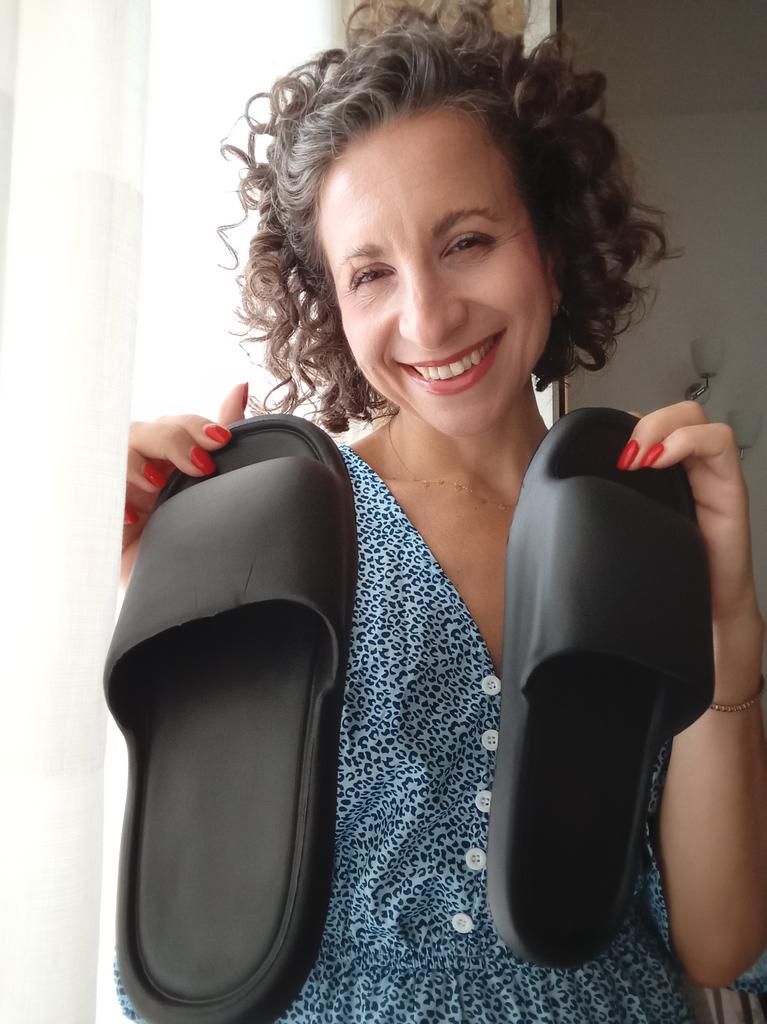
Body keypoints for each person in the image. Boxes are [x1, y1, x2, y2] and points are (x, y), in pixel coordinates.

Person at [115, 1, 767, 1020]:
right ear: (331, 305)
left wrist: (725, 620)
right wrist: (149, 596)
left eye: (465, 240)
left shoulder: (638, 528)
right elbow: (195, 931)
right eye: (370, 273)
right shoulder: (272, 534)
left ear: (549, 242)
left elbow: (717, 943)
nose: (427, 316)